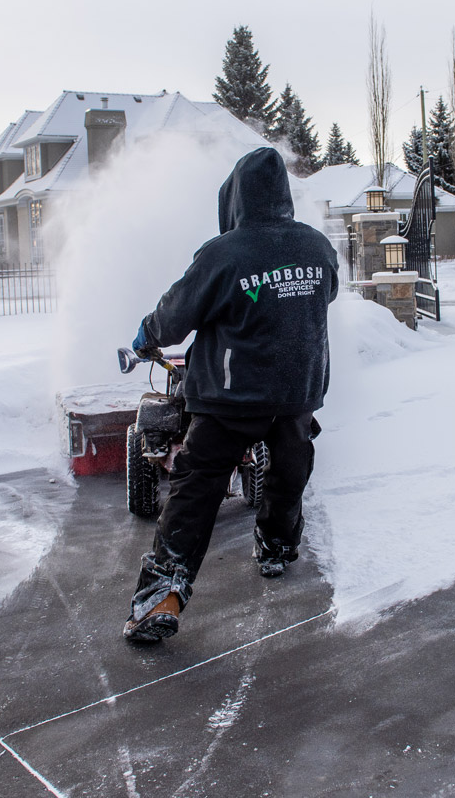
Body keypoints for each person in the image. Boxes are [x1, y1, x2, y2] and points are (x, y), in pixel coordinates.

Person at [124, 146, 339, 643]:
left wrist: (147, 334)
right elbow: (324, 295)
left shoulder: (223, 253)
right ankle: (276, 549)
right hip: (296, 393)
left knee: (196, 488)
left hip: (230, 396)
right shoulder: (316, 247)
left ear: (236, 198)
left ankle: (162, 596)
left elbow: (176, 317)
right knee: (289, 475)